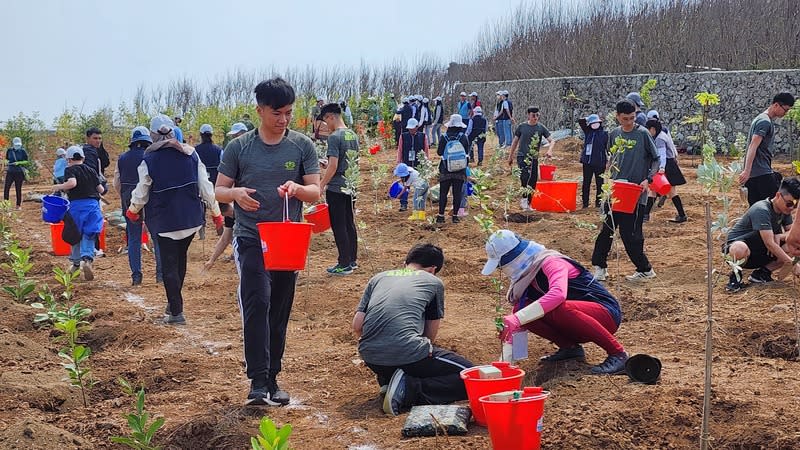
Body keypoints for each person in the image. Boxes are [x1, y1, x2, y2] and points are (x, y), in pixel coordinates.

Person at [215, 78, 321, 406]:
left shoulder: (302, 146)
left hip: (287, 239)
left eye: (288, 113)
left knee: (279, 307)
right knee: (257, 301)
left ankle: (273, 376)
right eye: (277, 113)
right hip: (251, 237)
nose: (283, 120)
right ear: (260, 110)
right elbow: (218, 190)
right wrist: (234, 195)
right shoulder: (239, 148)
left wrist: (296, 189)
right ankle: (257, 381)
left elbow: (315, 191)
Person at [482, 230, 629, 374]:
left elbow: (558, 295)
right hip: (574, 320)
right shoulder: (526, 276)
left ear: (512, 259)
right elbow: (519, 321)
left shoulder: (551, 262)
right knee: (521, 311)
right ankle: (570, 348)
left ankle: (618, 354)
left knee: (554, 307)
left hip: (605, 314)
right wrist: (505, 365)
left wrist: (518, 318)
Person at [353, 243, 474, 416]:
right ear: (433, 269)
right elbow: (430, 335)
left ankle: (389, 380)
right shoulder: (433, 282)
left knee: (408, 357)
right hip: (407, 353)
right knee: (471, 377)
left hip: (371, 357)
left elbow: (357, 326)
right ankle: (409, 390)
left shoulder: (378, 278)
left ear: (406, 263)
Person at [126, 114, 223, 324]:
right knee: (180, 260)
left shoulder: (149, 159)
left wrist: (133, 209)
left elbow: (142, 191)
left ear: (152, 135)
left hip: (164, 220)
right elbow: (206, 187)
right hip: (190, 219)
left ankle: (176, 312)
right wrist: (216, 213)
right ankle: (173, 303)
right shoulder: (191, 154)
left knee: (169, 264)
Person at [591, 100, 659, 282]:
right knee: (606, 229)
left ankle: (645, 269)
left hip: (636, 193)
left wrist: (648, 179)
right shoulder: (614, 134)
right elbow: (611, 158)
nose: (629, 122)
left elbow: (656, 160)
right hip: (615, 191)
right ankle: (600, 267)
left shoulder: (643, 134)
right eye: (625, 118)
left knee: (631, 234)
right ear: (617, 117)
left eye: (632, 118)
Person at [724, 177, 800, 292]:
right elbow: (769, 244)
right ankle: (735, 276)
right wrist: (792, 263)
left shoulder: (784, 210)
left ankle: (761, 274)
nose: (792, 208)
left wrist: (779, 236)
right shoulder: (762, 210)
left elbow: (791, 234)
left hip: (761, 251)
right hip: (740, 252)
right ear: (778, 195)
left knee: (793, 244)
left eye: (795, 205)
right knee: (739, 248)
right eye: (789, 204)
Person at [318, 103, 359, 276]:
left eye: (326, 121)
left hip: (336, 187)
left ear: (330, 116)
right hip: (350, 184)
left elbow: (333, 166)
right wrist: (329, 165)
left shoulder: (334, 137)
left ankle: (343, 263)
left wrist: (321, 185)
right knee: (349, 222)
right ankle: (352, 260)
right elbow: (349, 161)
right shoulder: (352, 134)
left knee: (339, 225)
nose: (326, 125)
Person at [113, 126, 158, 286]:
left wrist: (125, 195)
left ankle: (136, 276)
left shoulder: (122, 158)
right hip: (152, 199)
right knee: (156, 236)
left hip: (129, 200)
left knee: (133, 238)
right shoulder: (152, 156)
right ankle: (160, 275)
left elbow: (116, 183)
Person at [53, 146, 104, 281]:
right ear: (83, 158)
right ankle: (87, 259)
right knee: (89, 233)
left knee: (76, 234)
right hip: (93, 206)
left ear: (68, 159)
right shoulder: (91, 170)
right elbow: (101, 189)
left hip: (77, 207)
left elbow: (72, 183)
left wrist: (59, 187)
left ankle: (75, 263)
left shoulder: (70, 169)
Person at [738, 93, 796, 206]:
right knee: (776, 207)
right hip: (761, 174)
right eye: (785, 110)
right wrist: (746, 171)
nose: (786, 113)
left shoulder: (761, 119)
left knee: (757, 210)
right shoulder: (764, 122)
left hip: (757, 174)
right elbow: (753, 145)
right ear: (776, 105)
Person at [507, 107, 554, 211]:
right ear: (528, 115)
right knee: (524, 177)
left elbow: (552, 141)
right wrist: (510, 156)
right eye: (533, 115)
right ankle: (524, 200)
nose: (535, 117)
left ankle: (529, 203)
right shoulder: (522, 127)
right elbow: (515, 142)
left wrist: (550, 150)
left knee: (533, 179)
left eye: (537, 115)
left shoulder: (541, 128)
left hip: (534, 158)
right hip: (522, 156)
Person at [643, 119, 687, 223]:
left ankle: (682, 215)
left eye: (648, 129)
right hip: (669, 165)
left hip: (667, 166)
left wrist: (661, 168)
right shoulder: (662, 134)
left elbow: (662, 154)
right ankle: (645, 215)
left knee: (669, 192)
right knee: (655, 190)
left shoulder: (659, 138)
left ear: (653, 129)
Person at [436, 114, 469, 224]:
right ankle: (455, 216)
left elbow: (439, 152)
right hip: (459, 170)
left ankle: (441, 216)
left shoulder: (444, 137)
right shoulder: (463, 137)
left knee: (443, 193)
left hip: (445, 169)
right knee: (457, 193)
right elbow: (467, 153)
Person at [578, 114, 608, 209]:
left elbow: (608, 148)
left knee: (600, 183)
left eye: (597, 122)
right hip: (587, 162)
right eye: (593, 123)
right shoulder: (588, 132)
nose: (595, 124)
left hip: (599, 163)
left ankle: (598, 203)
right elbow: (581, 121)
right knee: (586, 183)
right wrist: (589, 118)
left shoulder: (604, 134)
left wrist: (609, 161)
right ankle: (585, 203)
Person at [203, 202, 235, 271]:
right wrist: (211, 260)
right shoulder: (229, 218)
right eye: (228, 215)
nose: (232, 216)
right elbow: (224, 240)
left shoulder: (243, 210)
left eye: (231, 213)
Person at [5, 137, 28, 209]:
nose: (17, 146)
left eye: (18, 145)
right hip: (10, 172)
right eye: (16, 145)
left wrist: (18, 162)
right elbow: (7, 159)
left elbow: (26, 161)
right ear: (13, 144)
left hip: (19, 172)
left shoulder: (23, 151)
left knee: (18, 188)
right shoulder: (9, 150)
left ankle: (18, 205)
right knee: (6, 188)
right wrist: (6, 162)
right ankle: (6, 205)